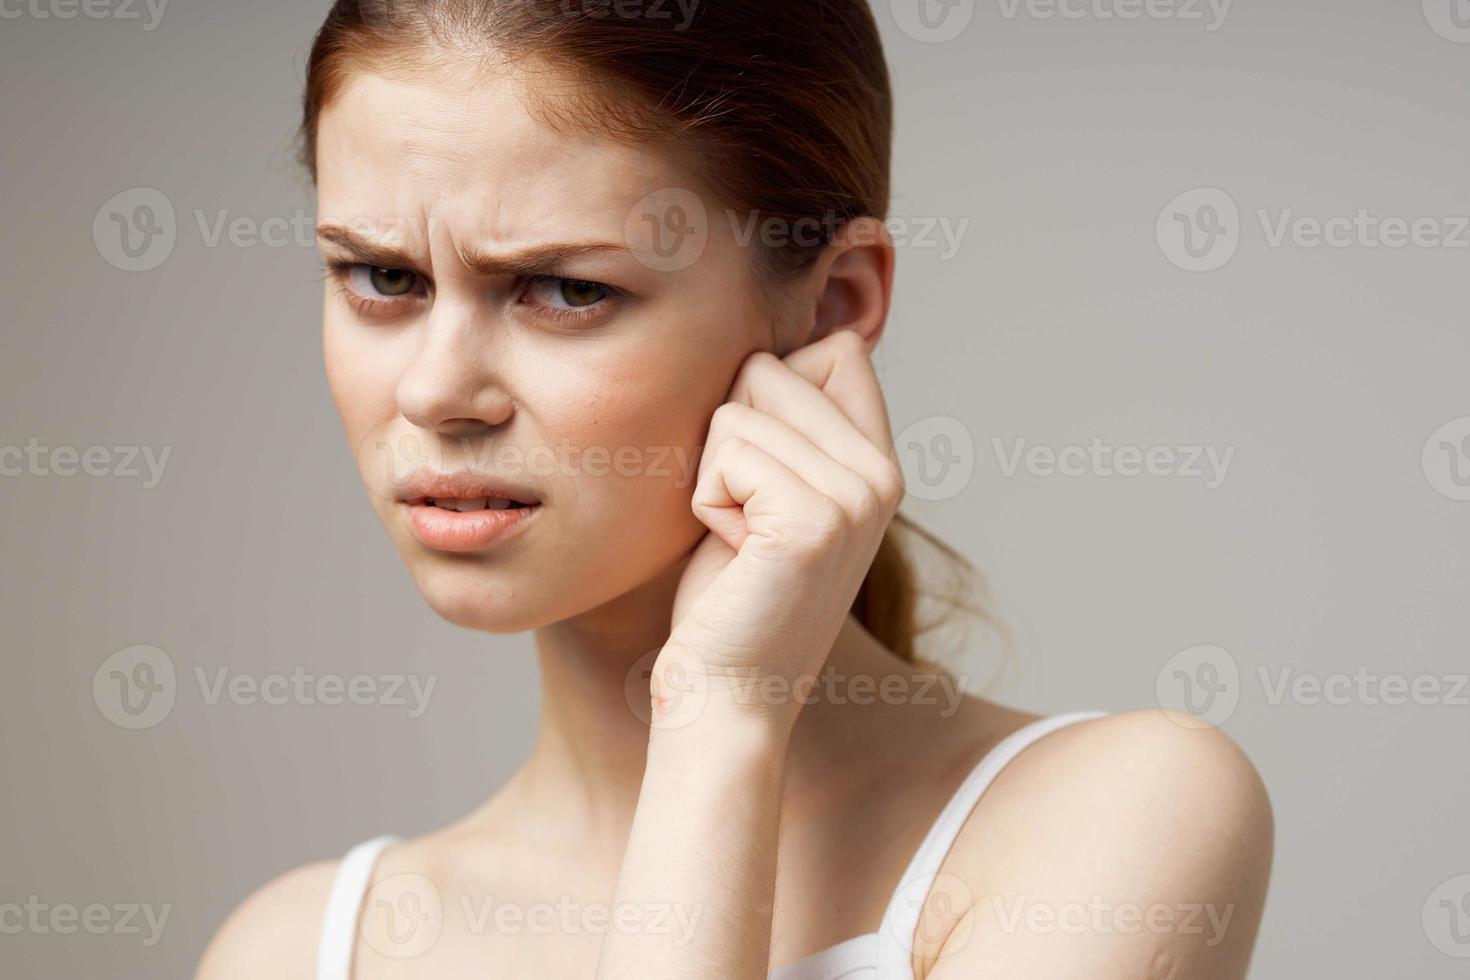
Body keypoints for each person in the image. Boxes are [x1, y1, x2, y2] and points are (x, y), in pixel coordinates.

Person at [198, 2, 1273, 977]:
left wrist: (720, 714)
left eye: (567, 288)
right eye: (383, 277)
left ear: (834, 307)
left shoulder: (1116, 815)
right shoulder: (295, 949)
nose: (436, 391)